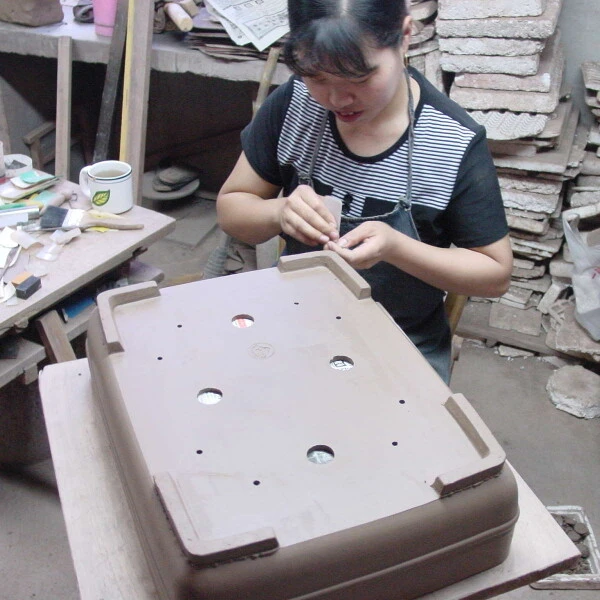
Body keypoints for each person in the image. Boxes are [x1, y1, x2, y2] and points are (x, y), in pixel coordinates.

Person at [216, 0, 513, 383]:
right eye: (317, 77)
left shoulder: (450, 142)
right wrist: (279, 212)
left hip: (399, 339)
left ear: (404, 37)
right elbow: (232, 208)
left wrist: (396, 247)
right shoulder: (295, 104)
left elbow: (494, 275)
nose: (338, 100)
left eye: (359, 78)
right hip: (294, 314)